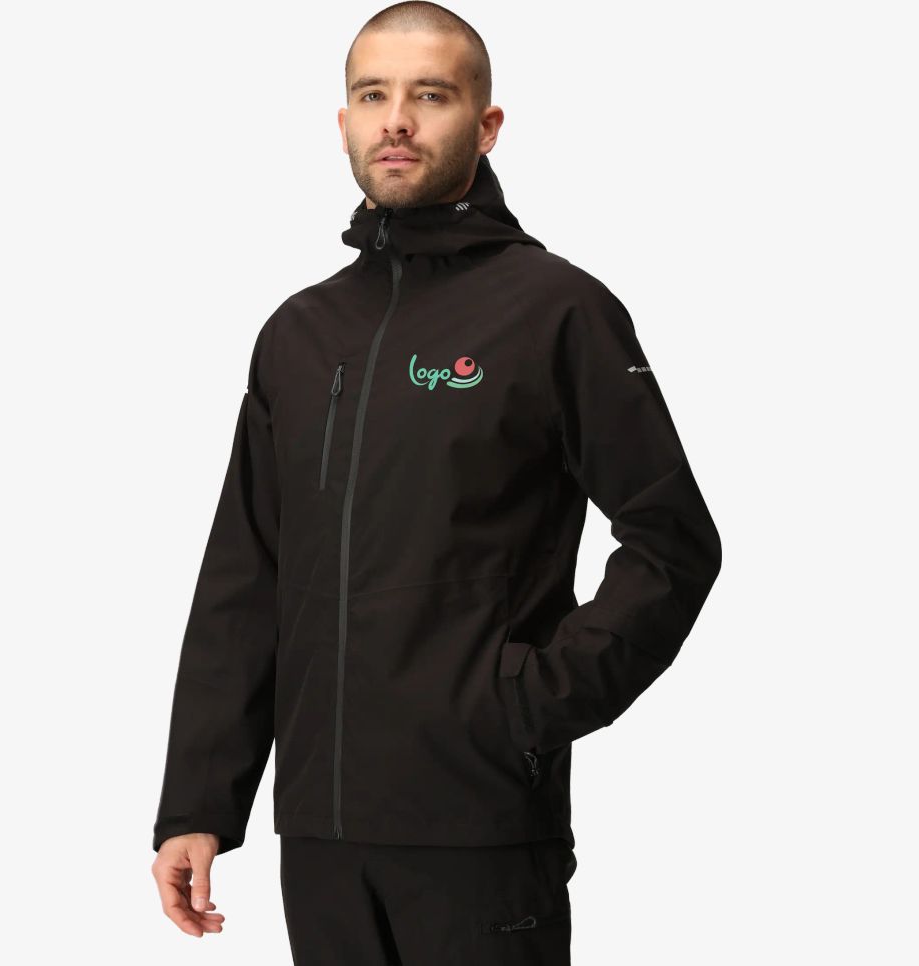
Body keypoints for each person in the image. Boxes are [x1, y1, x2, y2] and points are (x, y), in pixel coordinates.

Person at [150, 3, 722, 962]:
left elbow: (673, 540)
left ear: (486, 125)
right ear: (344, 122)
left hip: (479, 832)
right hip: (322, 841)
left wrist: (528, 705)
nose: (398, 121)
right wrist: (200, 803)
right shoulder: (299, 335)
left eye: (431, 95)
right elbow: (246, 573)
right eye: (373, 95)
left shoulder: (557, 311)